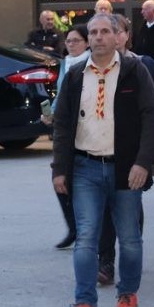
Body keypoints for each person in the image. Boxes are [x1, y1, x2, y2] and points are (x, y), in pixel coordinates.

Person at [52, 12, 154, 307]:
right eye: (93, 32)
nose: (99, 37)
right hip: (85, 167)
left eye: (104, 31)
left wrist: (143, 163)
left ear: (117, 36)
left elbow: (152, 118)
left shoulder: (134, 71)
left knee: (129, 238)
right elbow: (61, 125)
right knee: (86, 236)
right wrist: (60, 169)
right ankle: (85, 303)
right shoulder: (75, 76)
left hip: (126, 168)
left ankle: (128, 292)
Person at [94, 14, 154, 285]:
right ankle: (106, 260)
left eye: (119, 31)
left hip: (134, 151)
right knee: (103, 208)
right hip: (99, 152)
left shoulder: (143, 66)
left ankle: (130, 252)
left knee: (130, 206)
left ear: (125, 35)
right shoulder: (90, 68)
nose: (112, 36)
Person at [41, 24, 90, 250]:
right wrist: (50, 112)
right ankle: (74, 228)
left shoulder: (90, 65)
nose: (71, 45)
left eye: (76, 41)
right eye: (68, 41)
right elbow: (60, 94)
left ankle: (86, 230)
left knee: (83, 182)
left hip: (85, 131)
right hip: (64, 130)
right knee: (60, 179)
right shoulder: (65, 65)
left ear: (87, 43)